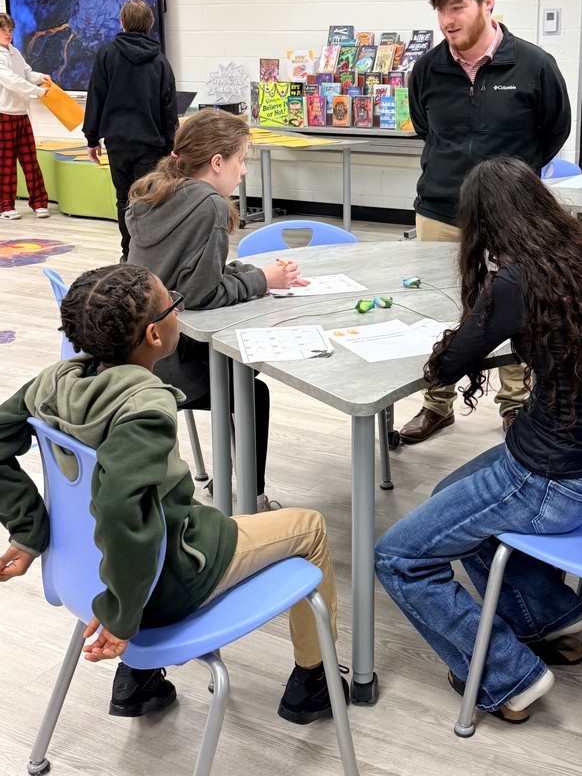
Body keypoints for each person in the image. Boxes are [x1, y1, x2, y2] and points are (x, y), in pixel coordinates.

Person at [0, 264, 344, 725]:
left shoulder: (51, 383)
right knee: (312, 528)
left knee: (165, 511)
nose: (178, 311)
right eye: (173, 306)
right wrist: (124, 616)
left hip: (83, 571)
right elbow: (121, 508)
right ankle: (314, 683)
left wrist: (28, 532)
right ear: (155, 335)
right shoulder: (144, 407)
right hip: (168, 579)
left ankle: (138, 681)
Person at [376, 157, 582, 724]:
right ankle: (549, 616)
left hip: (549, 480)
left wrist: (469, 318)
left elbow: (449, 364)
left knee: (398, 557)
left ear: (487, 226)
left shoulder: (517, 282)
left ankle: (506, 675)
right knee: (450, 492)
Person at [400, 0, 572, 444]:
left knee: (517, 308)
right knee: (437, 308)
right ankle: (436, 401)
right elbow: (425, 129)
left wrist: (514, 183)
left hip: (514, 216)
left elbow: (554, 130)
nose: (447, 20)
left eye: (457, 8)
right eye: (440, 10)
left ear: (488, 3)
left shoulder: (534, 65)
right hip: (441, 209)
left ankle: (516, 405)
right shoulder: (428, 69)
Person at [126, 109, 307, 511]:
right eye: (241, 160)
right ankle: (251, 501)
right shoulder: (208, 205)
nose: (243, 171)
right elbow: (201, 295)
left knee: (244, 375)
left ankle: (229, 484)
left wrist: (251, 272)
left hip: (135, 346)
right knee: (251, 386)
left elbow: (182, 275)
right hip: (167, 360)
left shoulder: (155, 192)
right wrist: (263, 282)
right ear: (217, 162)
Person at [84, 0, 178, 260]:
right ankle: (149, 254)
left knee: (124, 199)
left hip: (118, 143)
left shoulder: (106, 54)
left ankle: (128, 254)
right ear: (150, 23)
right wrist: (173, 148)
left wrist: (92, 139)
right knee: (149, 201)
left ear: (122, 23)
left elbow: (96, 96)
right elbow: (169, 108)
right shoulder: (160, 61)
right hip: (152, 145)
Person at [0, 12, 51, 221]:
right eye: (3, 30)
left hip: (21, 114)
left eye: (10, 30)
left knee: (31, 161)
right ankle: (5, 206)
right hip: (4, 115)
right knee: (6, 164)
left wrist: (39, 77)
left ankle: (39, 203)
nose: (8, 33)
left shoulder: (14, 52)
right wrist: (37, 91)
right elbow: (12, 80)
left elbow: (26, 73)